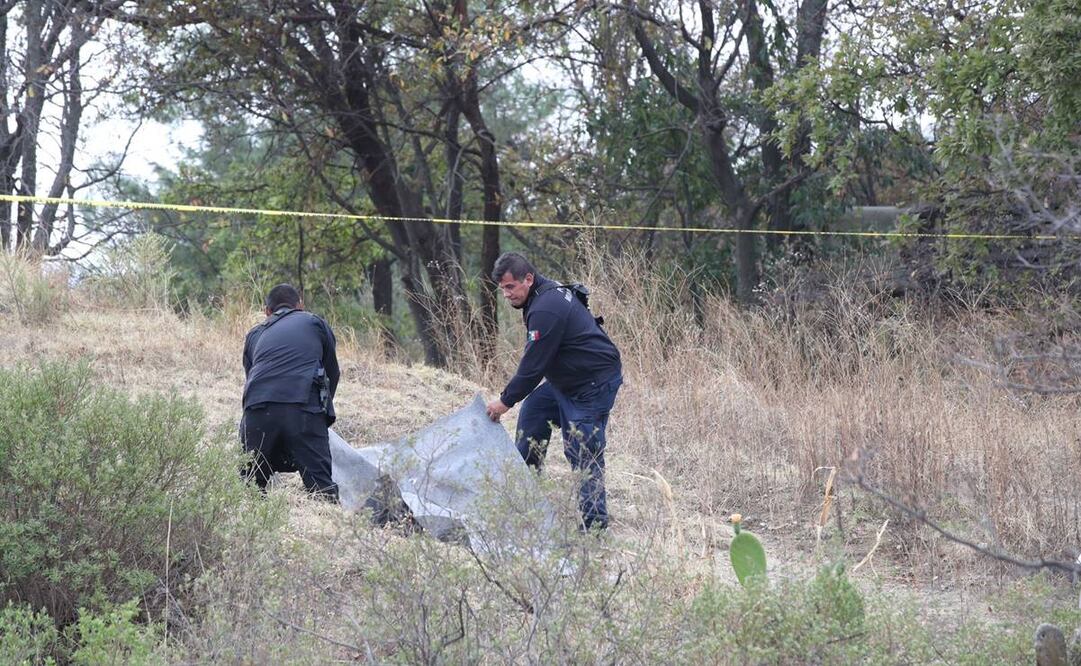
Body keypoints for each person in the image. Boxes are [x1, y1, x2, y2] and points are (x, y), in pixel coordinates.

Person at [486, 252, 623, 530]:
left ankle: (594, 529)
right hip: (567, 381)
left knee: (583, 450)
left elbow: (533, 366)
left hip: (592, 384)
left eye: (510, 287)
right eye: (502, 289)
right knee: (534, 413)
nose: (506, 294)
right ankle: (526, 497)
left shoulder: (546, 307)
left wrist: (504, 401)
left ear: (528, 279)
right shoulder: (542, 295)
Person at [241, 283, 340, 500]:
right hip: (302, 405)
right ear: (300, 306)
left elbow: (251, 380)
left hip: (257, 410)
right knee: (322, 492)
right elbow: (332, 372)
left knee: (248, 490)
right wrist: (319, 416)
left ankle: (251, 533)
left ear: (267, 312)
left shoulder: (255, 334)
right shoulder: (314, 322)